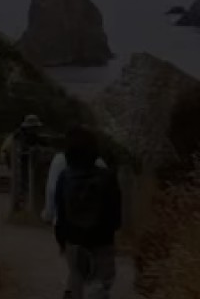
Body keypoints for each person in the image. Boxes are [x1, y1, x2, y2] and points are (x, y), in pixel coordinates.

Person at [53, 125, 121, 299]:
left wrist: (62, 241)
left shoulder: (64, 177)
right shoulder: (108, 177)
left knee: (76, 282)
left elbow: (60, 214)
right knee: (100, 284)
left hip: (73, 241)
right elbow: (116, 215)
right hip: (102, 241)